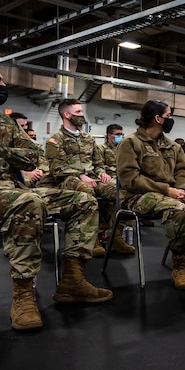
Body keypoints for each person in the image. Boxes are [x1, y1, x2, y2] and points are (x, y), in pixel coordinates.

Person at [0, 60, 112, 331]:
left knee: (83, 201)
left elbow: (34, 157)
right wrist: (9, 157)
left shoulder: (4, 121)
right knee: (28, 200)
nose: (3, 85)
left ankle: (72, 281)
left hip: (11, 188)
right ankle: (23, 296)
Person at [115, 100, 185, 290]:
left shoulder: (173, 147)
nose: (171, 120)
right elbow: (130, 179)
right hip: (138, 197)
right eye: (168, 116)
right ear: (157, 118)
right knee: (179, 210)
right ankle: (179, 266)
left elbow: (182, 173)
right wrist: (167, 190)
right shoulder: (130, 143)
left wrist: (183, 191)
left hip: (172, 194)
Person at [45, 98, 134, 256]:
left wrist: (102, 172)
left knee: (121, 191)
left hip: (93, 177)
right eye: (78, 112)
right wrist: (79, 175)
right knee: (87, 192)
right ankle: (91, 239)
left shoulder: (88, 138)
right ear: (66, 114)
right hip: (68, 179)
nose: (81, 115)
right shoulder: (56, 140)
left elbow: (98, 162)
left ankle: (114, 236)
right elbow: (57, 168)